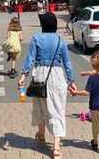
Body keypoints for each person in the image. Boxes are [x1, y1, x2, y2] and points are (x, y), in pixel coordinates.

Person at [18, 12, 76, 159]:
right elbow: (67, 63)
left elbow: (30, 59)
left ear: (43, 25)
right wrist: (71, 81)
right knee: (57, 109)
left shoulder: (36, 38)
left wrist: (23, 75)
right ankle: (56, 147)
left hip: (40, 75)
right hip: (56, 75)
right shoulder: (60, 40)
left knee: (39, 105)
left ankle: (42, 135)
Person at [72, 51, 99, 158]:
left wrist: (76, 93)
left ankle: (95, 142)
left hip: (95, 107)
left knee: (95, 126)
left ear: (93, 65)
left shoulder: (92, 78)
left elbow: (86, 92)